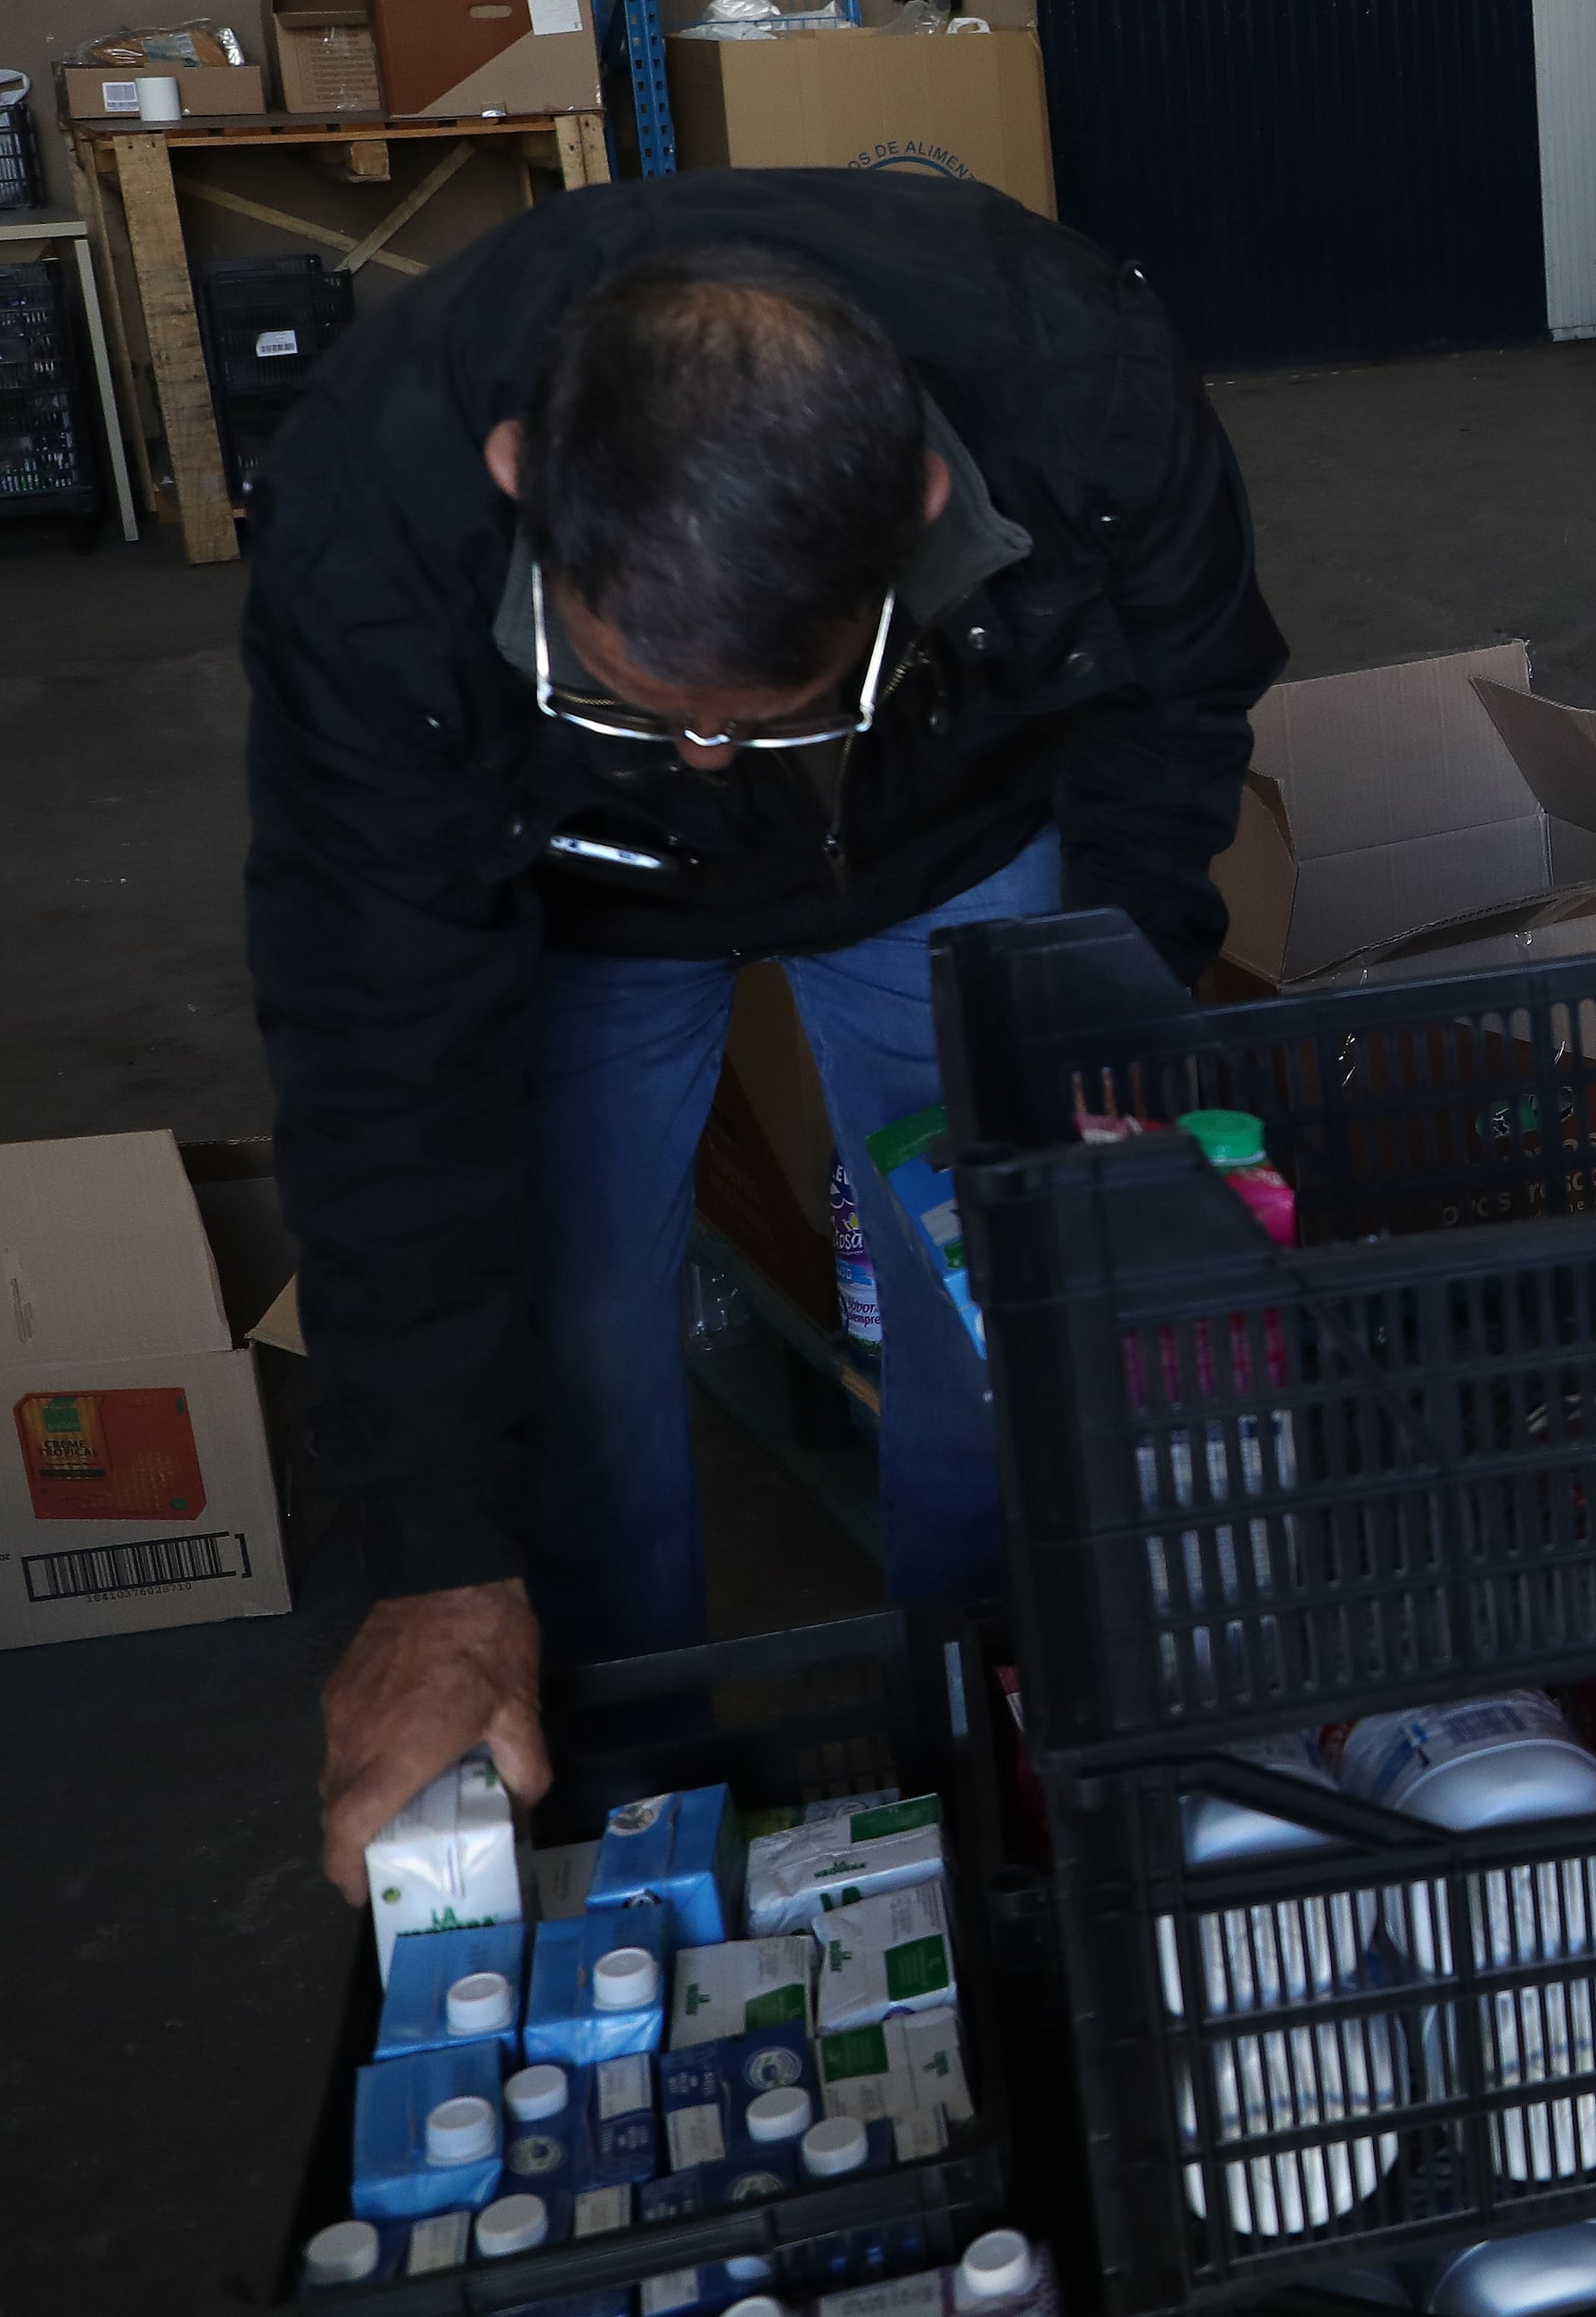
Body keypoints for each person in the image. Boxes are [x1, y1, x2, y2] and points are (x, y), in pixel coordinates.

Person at [248, 168, 1284, 1899]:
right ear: (522, 486)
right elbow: (376, 1038)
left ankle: (988, 1719)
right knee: (570, 1340)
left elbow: (1175, 707)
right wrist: (435, 1564)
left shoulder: (1079, 393)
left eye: (777, 700)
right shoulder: (380, 507)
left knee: (1001, 1300)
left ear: (924, 509)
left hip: (940, 833)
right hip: (573, 890)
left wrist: (1103, 1021)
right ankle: (628, 1802)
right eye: (646, 698)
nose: (711, 758)